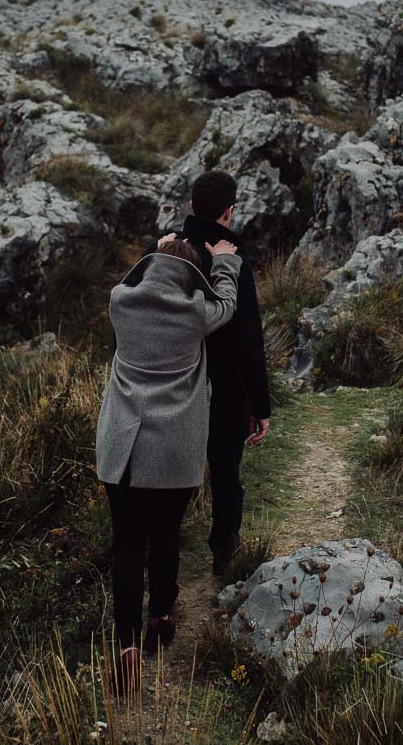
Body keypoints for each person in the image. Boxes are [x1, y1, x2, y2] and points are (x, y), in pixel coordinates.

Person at [95, 232, 241, 689]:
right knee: (165, 537)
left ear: (153, 265)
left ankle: (127, 645)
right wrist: (221, 262)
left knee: (126, 546)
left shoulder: (121, 302)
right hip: (175, 451)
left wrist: (154, 256)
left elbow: (131, 279)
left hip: (123, 449)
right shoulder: (197, 313)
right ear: (189, 277)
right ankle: (160, 616)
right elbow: (229, 302)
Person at [157, 170, 273, 575]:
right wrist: (260, 404)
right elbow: (247, 337)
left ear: (190, 206)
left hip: (173, 386)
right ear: (230, 211)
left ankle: (164, 565)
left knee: (171, 485)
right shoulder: (234, 256)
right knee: (226, 478)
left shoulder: (167, 250)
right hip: (225, 389)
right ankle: (224, 558)